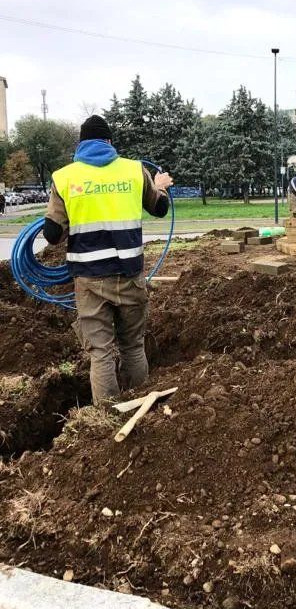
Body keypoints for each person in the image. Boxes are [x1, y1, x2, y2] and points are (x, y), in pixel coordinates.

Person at [43, 115, 173, 403]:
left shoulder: (64, 178)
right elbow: (160, 208)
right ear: (110, 142)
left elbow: (52, 235)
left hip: (89, 280)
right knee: (133, 347)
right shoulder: (133, 171)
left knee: (101, 353)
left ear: (81, 144)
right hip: (129, 276)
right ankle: (144, 407)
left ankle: (105, 421)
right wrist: (161, 185)